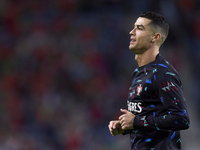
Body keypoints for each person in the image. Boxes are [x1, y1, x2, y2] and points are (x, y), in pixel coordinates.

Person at [108, 12, 190, 150]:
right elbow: (148, 118)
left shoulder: (163, 73)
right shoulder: (137, 74)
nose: (131, 32)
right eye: (133, 27)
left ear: (155, 37)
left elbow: (181, 119)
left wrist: (136, 121)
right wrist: (125, 127)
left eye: (139, 28)